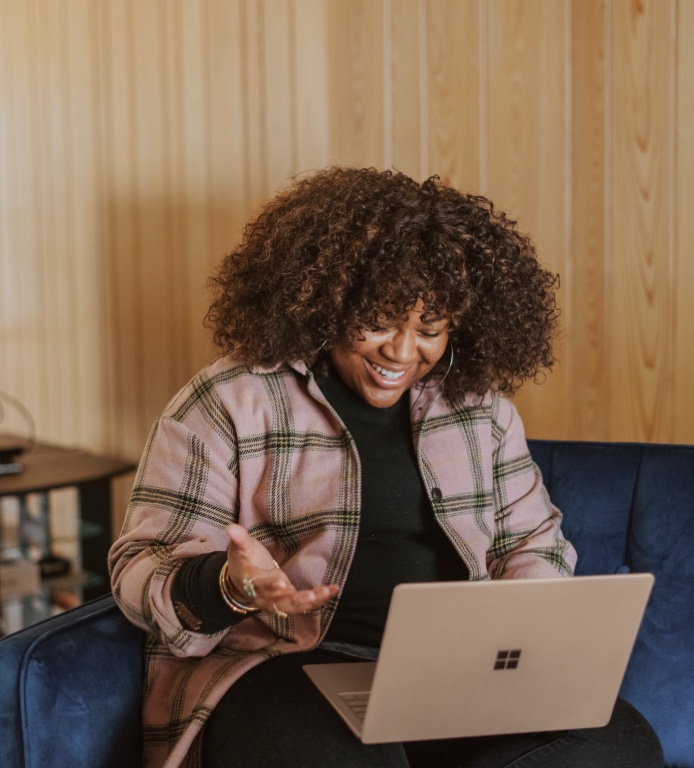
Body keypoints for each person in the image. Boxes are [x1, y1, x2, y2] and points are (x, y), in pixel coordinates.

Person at [109, 167, 663, 768]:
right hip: (284, 668)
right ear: (327, 302)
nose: (401, 353)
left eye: (429, 329)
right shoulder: (230, 400)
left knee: (617, 745)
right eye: (377, 322)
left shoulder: (483, 411)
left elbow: (533, 544)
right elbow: (139, 568)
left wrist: (516, 633)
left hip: (454, 674)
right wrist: (228, 583)